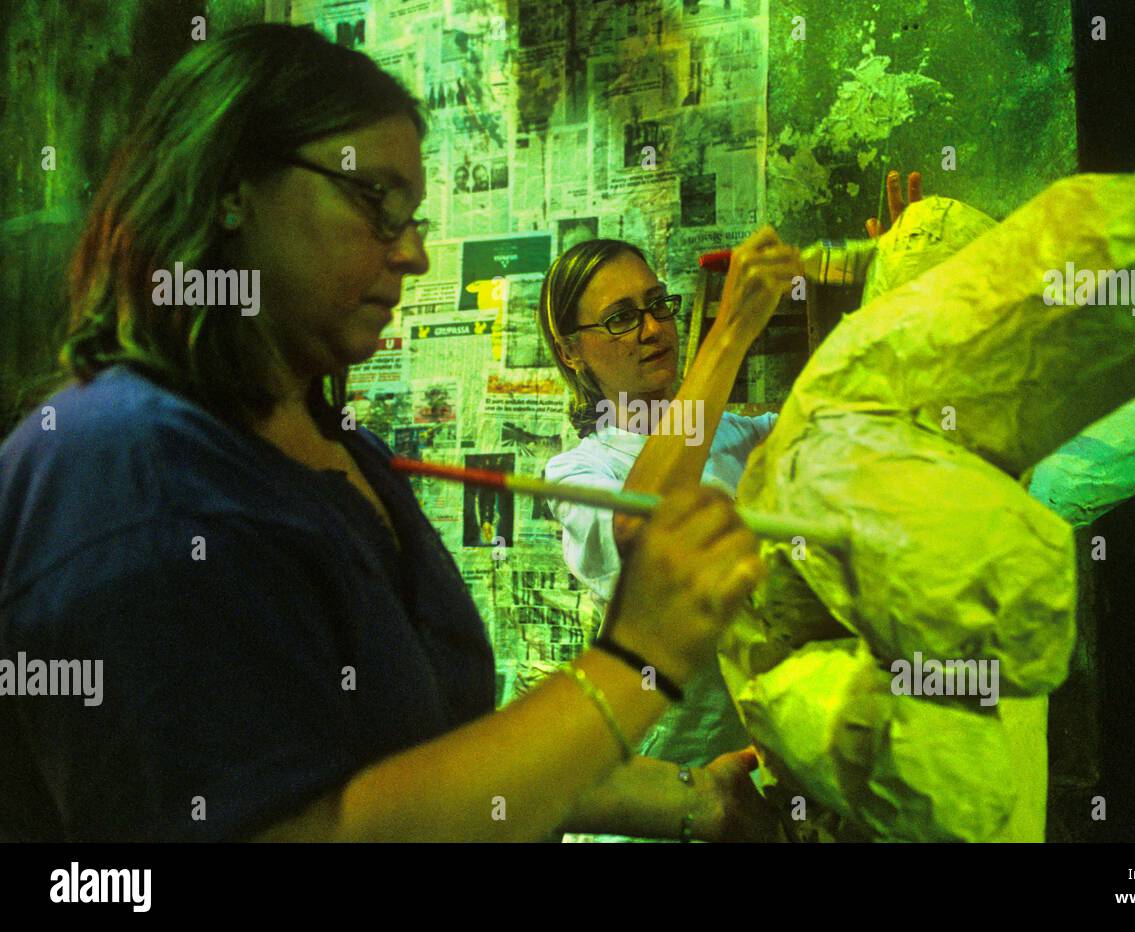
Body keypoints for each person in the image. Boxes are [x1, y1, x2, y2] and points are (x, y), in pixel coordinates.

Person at [0, 23, 776, 843]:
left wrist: (690, 800)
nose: (411, 253)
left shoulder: (337, 447)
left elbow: (423, 761)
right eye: (375, 201)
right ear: (232, 188)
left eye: (414, 217)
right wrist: (634, 659)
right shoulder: (124, 470)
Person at [539, 173, 924, 772]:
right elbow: (642, 534)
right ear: (571, 352)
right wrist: (732, 330)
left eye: (655, 305)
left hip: (774, 772)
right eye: (619, 318)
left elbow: (873, 428)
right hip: (670, 795)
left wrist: (902, 289)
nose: (651, 329)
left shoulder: (747, 435)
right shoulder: (578, 473)